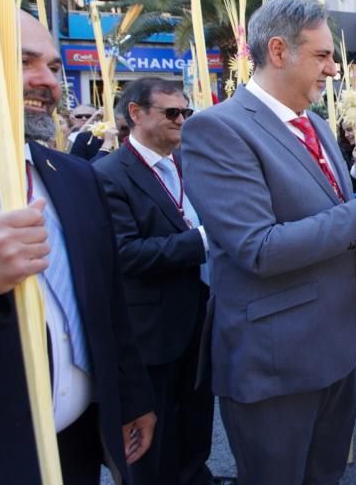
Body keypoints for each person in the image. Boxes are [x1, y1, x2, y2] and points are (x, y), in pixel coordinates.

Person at [180, 0, 356, 484]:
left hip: (335, 354)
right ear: (280, 51)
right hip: (275, 367)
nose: (333, 70)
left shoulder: (319, 128)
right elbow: (258, 247)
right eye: (323, 55)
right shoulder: (218, 129)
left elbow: (333, 224)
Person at [0, 2, 156, 483]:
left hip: (77, 448)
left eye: (54, 66)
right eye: (22, 60)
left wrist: (131, 395)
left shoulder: (74, 177)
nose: (49, 81)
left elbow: (107, 300)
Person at [93, 78, 214, 484]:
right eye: (171, 113)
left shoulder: (187, 164)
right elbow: (125, 254)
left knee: (195, 428)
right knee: (152, 445)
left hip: (199, 321)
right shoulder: (109, 175)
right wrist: (199, 242)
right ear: (136, 114)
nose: (181, 121)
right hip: (151, 335)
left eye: (186, 113)